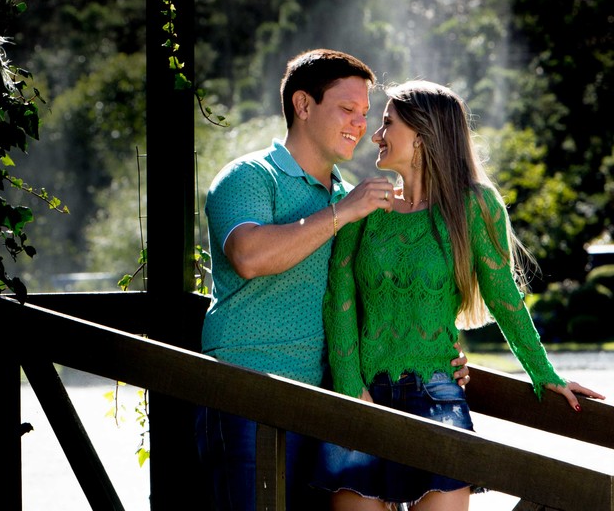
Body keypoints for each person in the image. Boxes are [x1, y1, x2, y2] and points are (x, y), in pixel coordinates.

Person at [195, 50, 468, 510]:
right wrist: (342, 213)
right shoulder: (249, 176)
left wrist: (438, 353)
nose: (361, 125)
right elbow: (248, 255)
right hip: (246, 398)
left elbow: (375, 301)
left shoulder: (352, 198)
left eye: (365, 113)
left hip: (329, 409)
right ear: (303, 105)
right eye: (347, 109)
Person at [317, 80, 606, 509]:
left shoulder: (473, 206)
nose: (375, 136)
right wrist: (349, 388)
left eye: (387, 123)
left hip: (437, 397)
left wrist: (544, 373)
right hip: (364, 395)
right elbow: (338, 300)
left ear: (421, 134)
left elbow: (505, 298)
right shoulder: (364, 206)